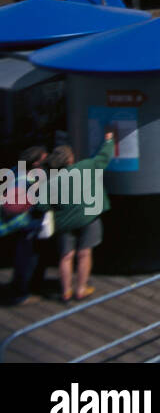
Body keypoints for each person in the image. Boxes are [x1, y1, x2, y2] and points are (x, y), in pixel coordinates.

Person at [49, 129, 114, 302]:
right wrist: (109, 140)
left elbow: (41, 206)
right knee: (84, 253)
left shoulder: (51, 182)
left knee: (66, 256)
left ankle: (65, 291)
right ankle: (81, 288)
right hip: (88, 218)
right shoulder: (85, 167)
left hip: (64, 223)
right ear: (70, 159)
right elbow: (104, 157)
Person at [2, 145, 48, 305]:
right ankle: (21, 294)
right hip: (23, 225)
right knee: (27, 259)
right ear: (35, 163)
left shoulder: (17, 171)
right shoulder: (26, 181)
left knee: (22, 258)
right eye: (43, 159)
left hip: (16, 225)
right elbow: (14, 207)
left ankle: (19, 286)